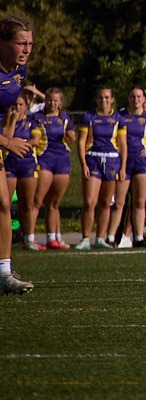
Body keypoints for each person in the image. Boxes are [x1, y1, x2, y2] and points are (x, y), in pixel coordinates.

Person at [0, 15, 36, 293]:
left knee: (3, 203)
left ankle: (3, 273)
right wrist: (7, 143)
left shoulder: (19, 73)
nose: (26, 49)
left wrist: (8, 132)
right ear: (3, 43)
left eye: (30, 44)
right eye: (20, 43)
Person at [75, 86, 127, 250]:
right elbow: (81, 141)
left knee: (106, 202)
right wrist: (83, 163)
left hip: (112, 161)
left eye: (106, 97)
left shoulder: (119, 118)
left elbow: (123, 145)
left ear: (112, 99)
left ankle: (100, 238)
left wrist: (123, 167)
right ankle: (85, 238)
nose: (103, 100)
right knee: (90, 202)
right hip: (93, 159)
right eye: (100, 97)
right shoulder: (89, 117)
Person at [109, 86, 146, 248]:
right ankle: (111, 237)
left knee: (139, 202)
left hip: (142, 164)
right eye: (133, 96)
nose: (136, 100)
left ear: (144, 100)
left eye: (139, 97)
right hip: (123, 163)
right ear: (129, 99)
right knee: (119, 202)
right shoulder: (120, 115)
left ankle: (139, 237)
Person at [31, 87, 76, 250]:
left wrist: (70, 136)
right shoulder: (37, 118)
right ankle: (29, 237)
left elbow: (72, 135)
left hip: (62, 160)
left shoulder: (64, 117)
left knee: (54, 203)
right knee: (37, 201)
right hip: (45, 160)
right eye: (50, 100)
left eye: (56, 100)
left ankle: (53, 238)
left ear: (60, 102)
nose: (52, 103)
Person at [4, 91, 43, 250]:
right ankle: (5, 239)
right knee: (5, 204)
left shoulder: (32, 122)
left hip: (27, 164)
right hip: (9, 165)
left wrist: (19, 144)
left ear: (26, 106)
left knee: (28, 203)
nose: (18, 107)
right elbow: (7, 137)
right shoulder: (7, 121)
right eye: (15, 105)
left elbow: (36, 140)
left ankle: (29, 238)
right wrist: (12, 119)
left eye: (20, 105)